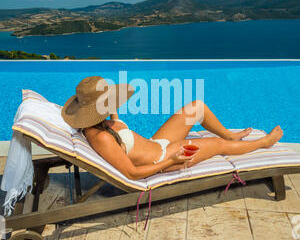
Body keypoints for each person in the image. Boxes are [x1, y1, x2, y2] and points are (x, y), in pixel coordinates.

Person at [62, 76, 283, 181]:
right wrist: (171, 161)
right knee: (216, 145)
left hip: (157, 143)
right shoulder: (101, 138)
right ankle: (264, 142)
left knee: (197, 108)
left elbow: (116, 129)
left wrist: (111, 110)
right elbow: (131, 172)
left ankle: (231, 136)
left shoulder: (98, 124)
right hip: (162, 158)